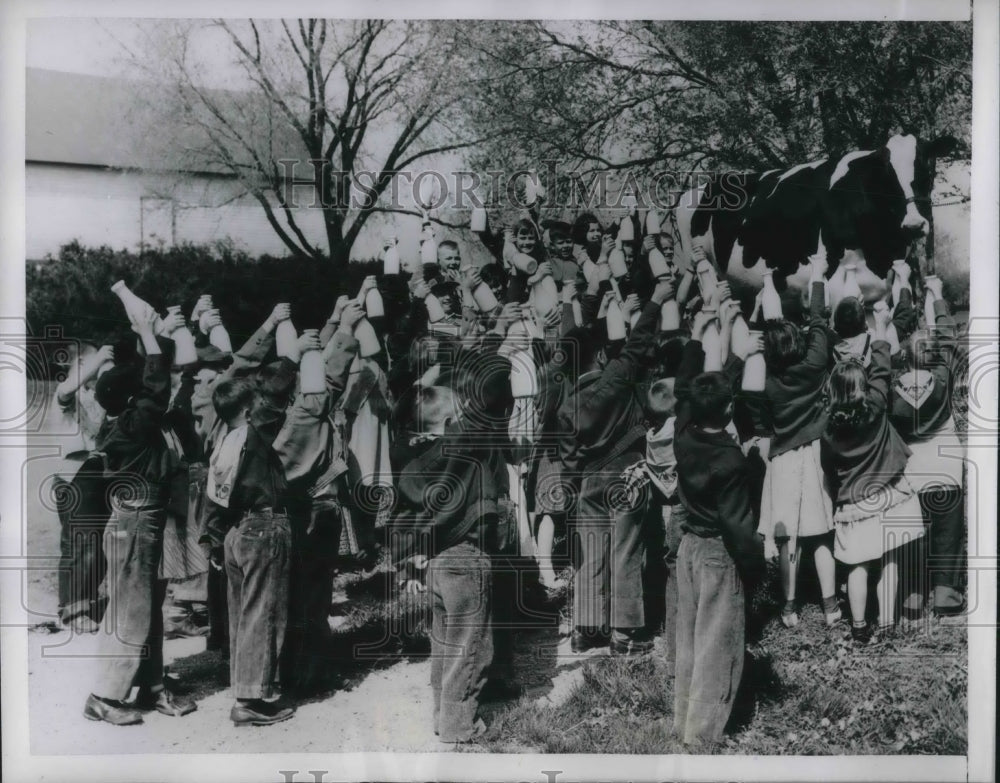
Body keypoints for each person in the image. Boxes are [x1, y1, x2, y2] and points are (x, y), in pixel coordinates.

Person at [388, 326, 512, 744]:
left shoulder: (412, 457)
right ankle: (460, 727)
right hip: (467, 558)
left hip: (438, 560)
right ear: (448, 421)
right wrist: (468, 350)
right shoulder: (462, 444)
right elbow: (498, 372)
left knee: (444, 643)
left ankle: (443, 716)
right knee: (471, 646)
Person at [83, 306, 197, 726]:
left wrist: (153, 333)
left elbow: (158, 384)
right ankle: (103, 696)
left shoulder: (122, 421)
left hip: (142, 522)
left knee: (146, 609)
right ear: (131, 400)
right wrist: (148, 336)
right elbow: (157, 387)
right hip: (136, 523)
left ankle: (150, 687)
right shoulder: (134, 426)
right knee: (130, 611)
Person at [201, 331, 318, 727]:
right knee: (264, 614)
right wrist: (294, 357)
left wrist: (213, 540)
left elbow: (213, 502)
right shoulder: (253, 434)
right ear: (250, 411)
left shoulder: (223, 442)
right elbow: (276, 392)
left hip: (235, 533)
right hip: (263, 529)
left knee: (243, 616)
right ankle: (251, 700)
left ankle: (245, 687)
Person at [557, 277, 674, 656]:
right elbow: (638, 344)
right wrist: (655, 301)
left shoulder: (568, 404)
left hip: (588, 483)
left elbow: (570, 460)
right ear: (602, 357)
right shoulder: (619, 379)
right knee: (625, 552)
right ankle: (623, 635)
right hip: (628, 476)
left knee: (592, 551)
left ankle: (586, 628)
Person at [671, 307, 764, 746]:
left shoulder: (684, 431)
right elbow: (737, 524)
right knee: (716, 646)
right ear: (729, 409)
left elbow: (688, 386)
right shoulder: (730, 460)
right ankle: (703, 735)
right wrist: (755, 564)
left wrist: (698, 335)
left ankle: (682, 721)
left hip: (687, 546)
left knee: (688, 640)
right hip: (717, 553)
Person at [821, 304, 925, 644]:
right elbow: (882, 361)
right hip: (891, 494)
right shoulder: (876, 404)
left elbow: (828, 466)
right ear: (864, 387)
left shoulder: (829, 431)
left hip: (854, 501)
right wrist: (880, 325)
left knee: (858, 566)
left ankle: (860, 627)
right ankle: (886, 621)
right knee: (890, 558)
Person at [756, 256, 839, 628]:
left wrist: (761, 302)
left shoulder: (766, 381)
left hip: (783, 460)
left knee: (788, 535)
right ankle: (831, 606)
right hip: (816, 453)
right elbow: (820, 320)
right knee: (820, 533)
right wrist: (818, 278)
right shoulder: (815, 363)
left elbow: (761, 342)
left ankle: (789, 608)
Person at [888, 268, 966, 617]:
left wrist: (902, 291)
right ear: (934, 354)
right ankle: (945, 591)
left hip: (912, 468)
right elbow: (947, 334)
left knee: (914, 534)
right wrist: (935, 293)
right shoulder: (942, 374)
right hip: (947, 468)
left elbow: (890, 341)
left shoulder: (893, 385)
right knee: (948, 530)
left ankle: (913, 594)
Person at [52, 343, 114, 632]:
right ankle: (74, 610)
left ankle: (77, 604)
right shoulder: (66, 393)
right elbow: (66, 390)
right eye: (90, 363)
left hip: (92, 473)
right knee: (81, 544)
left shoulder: (96, 395)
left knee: (94, 544)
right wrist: (99, 358)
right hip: (75, 473)